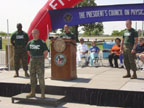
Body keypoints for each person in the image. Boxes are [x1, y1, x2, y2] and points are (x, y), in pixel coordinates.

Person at [26, 29, 49, 98]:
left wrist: (41, 59)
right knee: (32, 77)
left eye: (35, 33)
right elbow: (28, 51)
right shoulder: (30, 43)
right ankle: (32, 92)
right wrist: (33, 57)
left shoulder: (42, 43)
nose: (34, 35)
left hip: (40, 60)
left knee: (41, 77)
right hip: (32, 60)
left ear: (38, 34)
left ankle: (43, 93)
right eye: (33, 33)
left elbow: (45, 52)